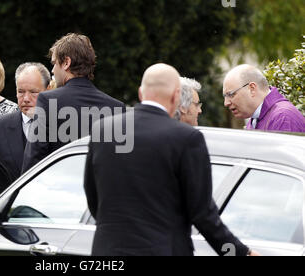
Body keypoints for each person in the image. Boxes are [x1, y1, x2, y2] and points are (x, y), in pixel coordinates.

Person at [84, 63, 258, 256]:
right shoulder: (186, 139)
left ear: (141, 93)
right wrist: (241, 253)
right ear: (176, 96)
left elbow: (93, 197)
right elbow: (203, 215)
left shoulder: (103, 129)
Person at [21, 33, 125, 173]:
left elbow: (33, 160)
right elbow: (122, 164)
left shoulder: (47, 100)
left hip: (60, 190)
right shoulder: (117, 108)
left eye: (54, 63)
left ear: (66, 63)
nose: (52, 70)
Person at [0, 62, 51, 182]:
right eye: (21, 92)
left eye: (33, 92)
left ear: (48, 90)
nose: (26, 99)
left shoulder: (60, 127)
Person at [223, 64, 305, 132]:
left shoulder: (283, 118)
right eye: (225, 96)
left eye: (231, 94)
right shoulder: (255, 119)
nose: (226, 103)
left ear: (252, 89)